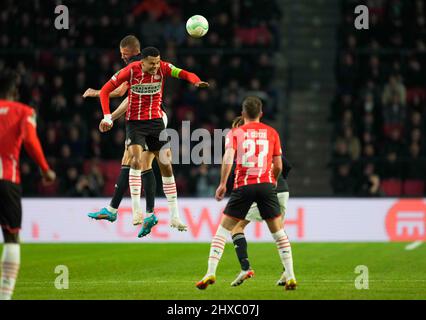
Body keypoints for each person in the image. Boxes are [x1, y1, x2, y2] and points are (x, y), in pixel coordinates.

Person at [98, 46, 209, 238]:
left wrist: (196, 81)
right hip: (135, 124)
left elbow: (184, 73)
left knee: (166, 165)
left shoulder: (164, 68)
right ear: (142, 62)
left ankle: (174, 215)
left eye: (157, 62)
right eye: (152, 63)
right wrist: (107, 117)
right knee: (135, 159)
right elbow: (105, 91)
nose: (155, 66)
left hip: (156, 122)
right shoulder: (130, 71)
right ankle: (137, 211)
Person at [196, 96, 296, 290]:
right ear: (261, 114)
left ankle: (210, 272)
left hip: (244, 185)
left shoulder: (236, 133)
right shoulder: (272, 132)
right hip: (266, 185)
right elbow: (279, 164)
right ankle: (291, 275)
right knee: (279, 233)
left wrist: (223, 184)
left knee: (223, 231)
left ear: (242, 114)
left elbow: (228, 158)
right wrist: (272, 180)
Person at [84, 35, 158, 227]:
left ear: (133, 52)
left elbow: (118, 93)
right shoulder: (144, 63)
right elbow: (125, 95)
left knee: (135, 161)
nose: (122, 57)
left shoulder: (136, 66)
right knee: (138, 162)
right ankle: (132, 211)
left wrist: (96, 93)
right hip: (152, 115)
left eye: (124, 54)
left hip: (148, 118)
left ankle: (136, 212)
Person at [0, 70, 56, 300]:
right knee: (12, 239)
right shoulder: (24, 111)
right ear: (15, 91)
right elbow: (31, 142)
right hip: (7, 181)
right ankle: (4, 297)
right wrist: (45, 169)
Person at [228, 116, 296, 289]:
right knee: (279, 231)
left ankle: (245, 268)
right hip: (283, 190)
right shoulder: (264, 140)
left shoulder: (242, 145)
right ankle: (287, 273)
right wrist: (278, 181)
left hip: (263, 190)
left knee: (236, 228)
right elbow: (285, 165)